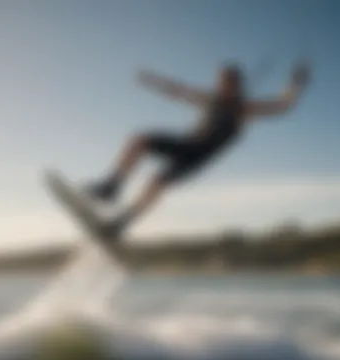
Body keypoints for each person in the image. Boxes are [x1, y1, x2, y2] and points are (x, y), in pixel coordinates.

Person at [85, 61, 310, 240]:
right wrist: (153, 81)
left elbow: (282, 106)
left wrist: (295, 85)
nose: (223, 86)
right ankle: (112, 186)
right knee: (139, 140)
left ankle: (122, 223)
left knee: (156, 183)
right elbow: (179, 91)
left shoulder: (244, 109)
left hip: (198, 158)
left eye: (228, 82)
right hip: (184, 144)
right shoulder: (210, 99)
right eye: (221, 81)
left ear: (237, 85)